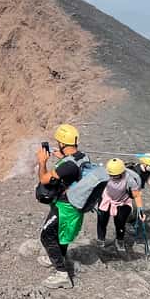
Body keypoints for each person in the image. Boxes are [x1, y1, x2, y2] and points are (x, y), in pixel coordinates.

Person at [36, 123, 88, 290]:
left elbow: (44, 179)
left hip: (66, 207)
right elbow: (72, 168)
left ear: (62, 143)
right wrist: (62, 158)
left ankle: (62, 274)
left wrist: (42, 162)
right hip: (74, 207)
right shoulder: (82, 157)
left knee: (46, 235)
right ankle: (58, 258)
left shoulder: (68, 166)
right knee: (62, 235)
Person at [97, 158, 143, 253]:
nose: (112, 177)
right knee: (102, 220)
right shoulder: (104, 174)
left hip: (123, 201)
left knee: (120, 222)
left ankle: (120, 241)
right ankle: (100, 241)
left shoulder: (129, 179)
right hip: (107, 198)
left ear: (122, 172)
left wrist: (140, 210)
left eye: (115, 176)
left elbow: (137, 195)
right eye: (111, 175)